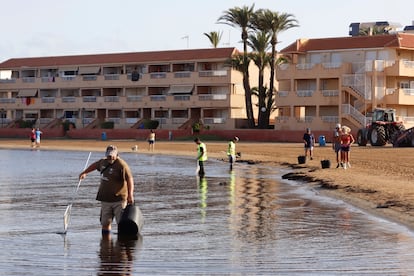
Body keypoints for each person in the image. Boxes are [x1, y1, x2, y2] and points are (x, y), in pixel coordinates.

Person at [79, 145, 134, 236]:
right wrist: (84, 172)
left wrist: (130, 195)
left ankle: (122, 244)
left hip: (119, 199)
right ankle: (106, 245)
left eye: (112, 155)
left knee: (121, 223)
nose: (110, 157)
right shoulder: (103, 162)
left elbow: (130, 179)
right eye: (108, 155)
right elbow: (95, 165)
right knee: (105, 223)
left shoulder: (122, 165)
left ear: (117, 155)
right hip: (105, 199)